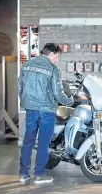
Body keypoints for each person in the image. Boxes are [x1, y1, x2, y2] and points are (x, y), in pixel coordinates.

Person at [18, 43, 73, 184]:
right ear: (51, 54)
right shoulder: (53, 69)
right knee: (43, 143)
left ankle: (23, 174)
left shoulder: (27, 65)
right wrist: (69, 101)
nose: (56, 60)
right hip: (47, 111)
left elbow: (20, 87)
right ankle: (39, 175)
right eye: (56, 57)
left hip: (31, 110)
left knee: (28, 141)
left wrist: (25, 102)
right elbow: (57, 93)